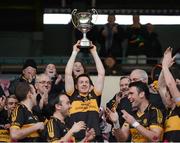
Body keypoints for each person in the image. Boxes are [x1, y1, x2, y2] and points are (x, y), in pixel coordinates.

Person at [65, 41, 105, 141]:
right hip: (77, 138)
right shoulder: (72, 94)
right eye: (81, 82)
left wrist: (94, 52)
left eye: (86, 82)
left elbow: (101, 73)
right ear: (76, 86)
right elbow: (68, 74)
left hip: (95, 137)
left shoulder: (95, 94)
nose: (84, 84)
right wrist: (74, 52)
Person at [158, 47, 180, 141]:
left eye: (166, 95)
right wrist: (164, 69)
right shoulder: (169, 110)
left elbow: (170, 85)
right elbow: (161, 87)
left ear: (172, 98)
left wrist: (165, 66)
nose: (164, 96)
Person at [106, 76, 132, 141]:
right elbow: (108, 114)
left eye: (126, 85)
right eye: (121, 85)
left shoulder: (134, 98)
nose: (124, 87)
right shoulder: (117, 96)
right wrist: (117, 102)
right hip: (114, 133)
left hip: (128, 133)